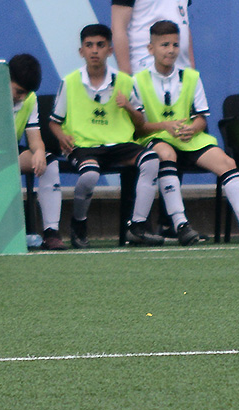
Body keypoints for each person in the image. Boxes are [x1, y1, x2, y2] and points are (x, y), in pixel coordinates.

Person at [132, 20, 239, 245]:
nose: (171, 50)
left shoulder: (190, 77)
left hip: (189, 139)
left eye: (175, 45)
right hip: (157, 138)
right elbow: (140, 128)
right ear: (150, 48)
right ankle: (181, 225)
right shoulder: (138, 81)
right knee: (166, 154)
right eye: (164, 45)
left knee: (227, 162)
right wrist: (165, 126)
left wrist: (192, 128)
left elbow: (201, 119)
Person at [48, 24, 168, 248]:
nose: (95, 50)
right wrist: (62, 136)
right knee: (90, 175)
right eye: (89, 45)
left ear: (110, 50)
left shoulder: (125, 81)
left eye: (100, 45)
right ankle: (79, 224)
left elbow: (140, 122)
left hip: (119, 144)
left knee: (151, 160)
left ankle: (138, 226)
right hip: (84, 146)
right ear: (81, 51)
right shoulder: (70, 82)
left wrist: (128, 107)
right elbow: (54, 122)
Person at [9, 54, 64, 250]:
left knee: (49, 162)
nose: (22, 97)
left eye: (26, 93)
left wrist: (40, 151)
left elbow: (34, 139)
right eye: (18, 91)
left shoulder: (30, 99)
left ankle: (51, 233)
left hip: (11, 153)